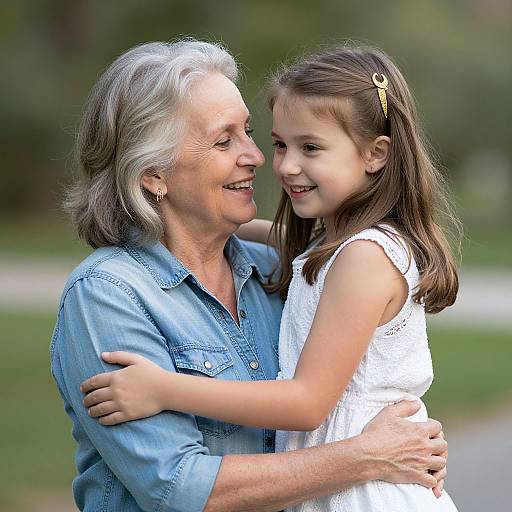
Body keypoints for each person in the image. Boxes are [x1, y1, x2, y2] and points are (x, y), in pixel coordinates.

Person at [52, 40, 448, 512]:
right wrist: (367, 457)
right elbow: (178, 486)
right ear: (153, 173)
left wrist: (401, 445)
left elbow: (313, 398)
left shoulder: (275, 269)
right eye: (225, 140)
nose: (262, 158)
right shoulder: (109, 295)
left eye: (250, 132)